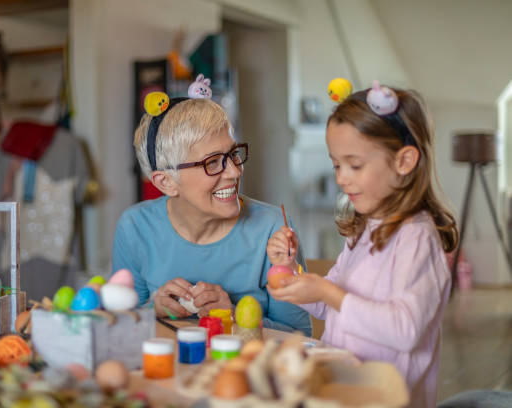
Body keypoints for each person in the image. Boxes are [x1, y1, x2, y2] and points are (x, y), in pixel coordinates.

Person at [267, 81, 458, 407]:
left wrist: (328, 292)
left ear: (404, 161)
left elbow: (405, 330)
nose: (342, 178)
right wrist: (289, 271)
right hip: (346, 391)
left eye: (354, 165)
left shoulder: (417, 239)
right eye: (336, 165)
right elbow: (329, 306)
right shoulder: (365, 231)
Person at [112, 77, 312, 335]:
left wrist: (233, 316)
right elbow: (118, 330)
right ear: (166, 182)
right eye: (213, 162)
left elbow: (300, 337)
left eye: (233, 154)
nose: (235, 172)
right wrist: (152, 309)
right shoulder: (136, 228)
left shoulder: (272, 228)